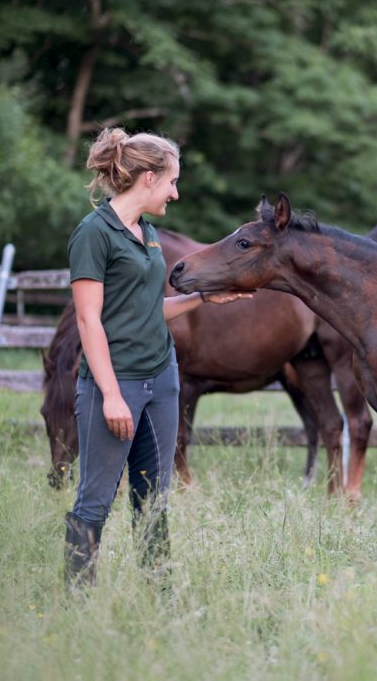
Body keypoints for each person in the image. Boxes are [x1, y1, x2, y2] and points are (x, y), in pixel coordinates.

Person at [63, 127, 247, 590]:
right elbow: (89, 322)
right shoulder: (93, 234)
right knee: (95, 501)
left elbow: (148, 309)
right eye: (171, 182)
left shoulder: (146, 231)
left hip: (162, 380)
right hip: (116, 384)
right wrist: (110, 396)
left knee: (154, 501)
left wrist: (204, 299)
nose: (175, 193)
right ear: (148, 178)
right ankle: (75, 601)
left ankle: (159, 599)